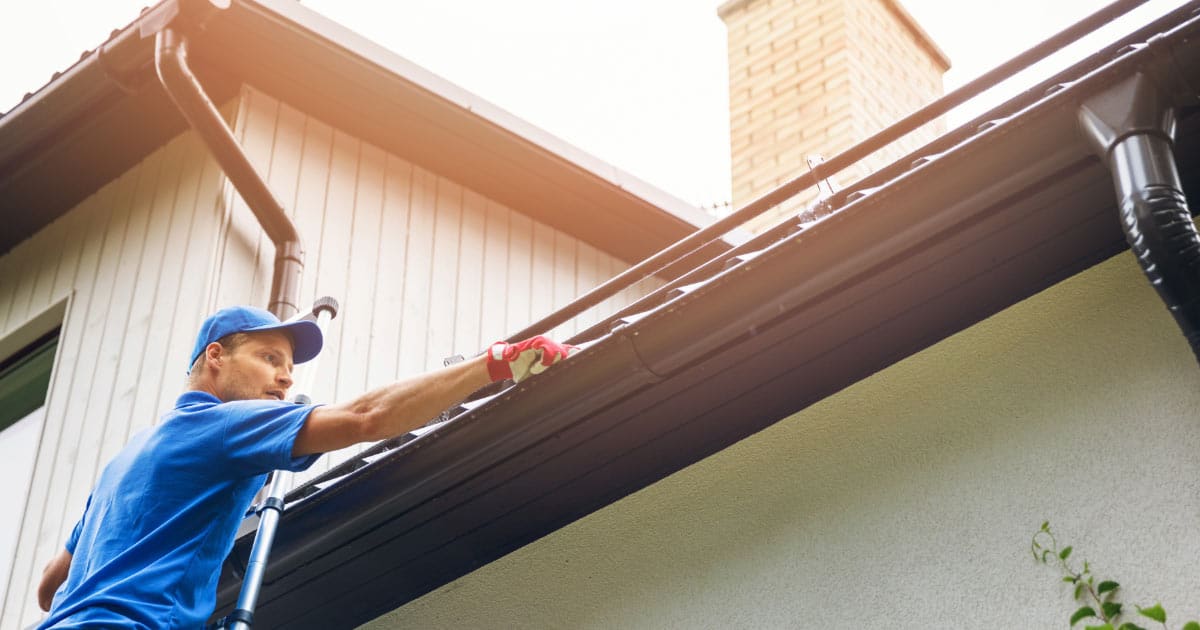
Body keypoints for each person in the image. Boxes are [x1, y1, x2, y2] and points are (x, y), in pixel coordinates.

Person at [36, 305, 576, 628]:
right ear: (216, 357)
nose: (286, 378)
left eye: (289, 367)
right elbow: (366, 417)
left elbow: (49, 584)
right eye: (270, 359)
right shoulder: (222, 426)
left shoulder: (125, 461)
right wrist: (495, 362)